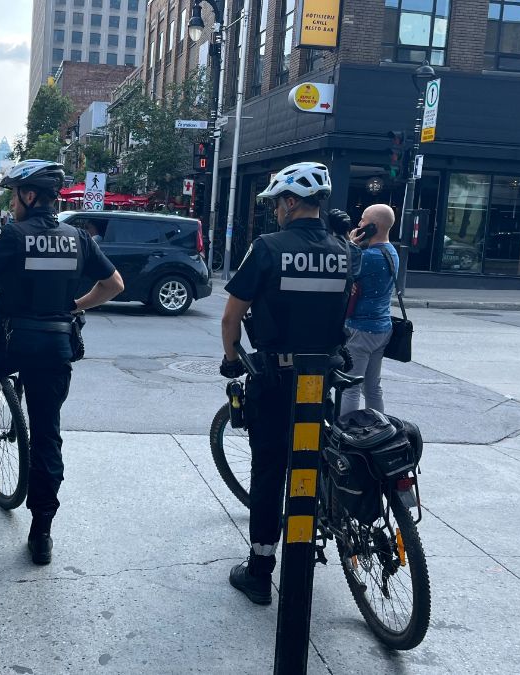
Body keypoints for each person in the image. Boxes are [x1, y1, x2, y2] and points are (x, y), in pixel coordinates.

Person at [0, 160, 124, 566]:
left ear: (29, 195)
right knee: (46, 437)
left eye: (14, 194)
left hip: (6, 343)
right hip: (54, 348)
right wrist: (74, 306)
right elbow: (114, 285)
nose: (11, 202)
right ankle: (41, 533)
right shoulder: (78, 238)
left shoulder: (13, 235)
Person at [218, 162, 359, 605]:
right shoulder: (343, 250)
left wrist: (230, 360)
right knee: (317, 452)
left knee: (269, 472)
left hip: (277, 379)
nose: (276, 209)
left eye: (279, 201)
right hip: (323, 377)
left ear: (292, 201)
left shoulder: (267, 247)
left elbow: (231, 317)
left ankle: (260, 571)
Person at [341, 204, 399, 416]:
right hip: (382, 328)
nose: (358, 224)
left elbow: (342, 273)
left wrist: (349, 246)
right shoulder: (391, 251)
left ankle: (345, 436)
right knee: (372, 387)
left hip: (361, 329)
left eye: (363, 220)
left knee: (350, 387)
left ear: (373, 227)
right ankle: (378, 429)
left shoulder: (368, 257)